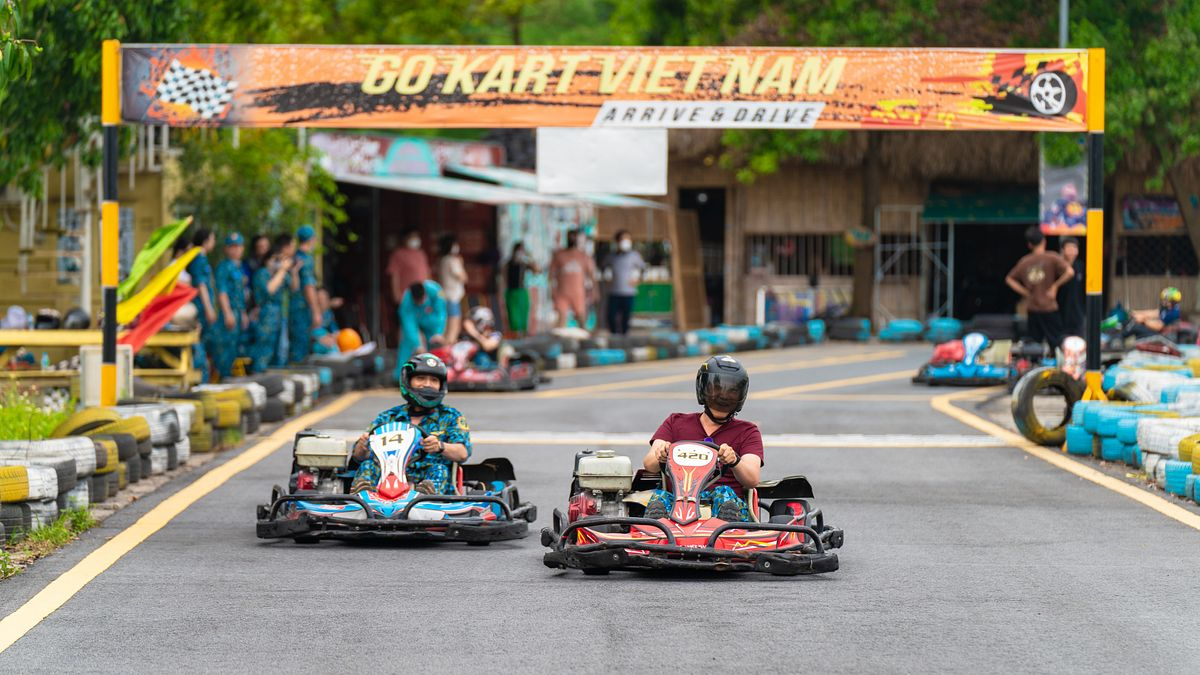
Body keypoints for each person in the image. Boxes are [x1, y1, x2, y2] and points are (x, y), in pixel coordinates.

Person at [641, 355, 763, 523]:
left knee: (724, 493)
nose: (723, 396)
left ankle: (725, 529)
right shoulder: (676, 422)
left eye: (731, 391)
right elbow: (649, 464)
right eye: (717, 388)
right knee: (660, 497)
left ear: (740, 394)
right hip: (678, 501)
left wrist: (734, 460)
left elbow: (752, 479)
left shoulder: (747, 431)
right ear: (703, 388)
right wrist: (661, 454)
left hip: (724, 506)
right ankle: (656, 531)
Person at [349, 353, 471, 495]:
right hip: (389, 480)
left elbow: (462, 453)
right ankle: (363, 500)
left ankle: (425, 499)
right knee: (368, 465)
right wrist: (362, 447)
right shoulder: (389, 417)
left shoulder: (451, 416)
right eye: (420, 378)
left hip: (429, 481)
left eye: (433, 380)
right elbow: (358, 457)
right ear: (408, 381)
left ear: (441, 385)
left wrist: (440, 446)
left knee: (439, 469)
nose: (427, 384)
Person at [1005, 226, 1073, 351]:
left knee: (1034, 346)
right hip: (1049, 308)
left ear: (1029, 245)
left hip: (1033, 308)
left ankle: (1036, 367)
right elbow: (1070, 272)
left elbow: (1009, 279)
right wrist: (1055, 286)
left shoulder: (1024, 261)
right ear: (1044, 241)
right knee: (1057, 344)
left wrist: (1024, 292)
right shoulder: (1052, 257)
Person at [249, 234, 294, 373]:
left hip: (279, 316)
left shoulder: (279, 275)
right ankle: (259, 378)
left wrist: (293, 271)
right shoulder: (262, 273)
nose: (279, 263)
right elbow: (269, 290)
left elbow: (293, 287)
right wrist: (281, 270)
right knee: (265, 350)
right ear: (268, 260)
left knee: (281, 350)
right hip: (266, 317)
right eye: (276, 259)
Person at [211, 233, 248, 378]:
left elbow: (240, 294)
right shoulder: (224, 267)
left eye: (238, 246)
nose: (236, 250)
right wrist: (227, 313)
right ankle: (222, 379)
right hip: (228, 313)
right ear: (226, 249)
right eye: (232, 247)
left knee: (233, 349)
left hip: (237, 312)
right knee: (225, 349)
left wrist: (243, 313)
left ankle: (227, 378)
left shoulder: (238, 267)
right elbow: (222, 292)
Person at [185, 229, 218, 382]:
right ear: (205, 241)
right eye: (212, 239)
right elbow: (201, 286)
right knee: (201, 343)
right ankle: (200, 378)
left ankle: (203, 377)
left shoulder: (199, 258)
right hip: (201, 308)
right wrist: (209, 309)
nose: (214, 242)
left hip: (203, 307)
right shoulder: (199, 259)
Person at [397, 279, 447, 376]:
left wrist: (438, 333)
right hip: (415, 318)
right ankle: (400, 375)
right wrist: (417, 344)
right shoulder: (406, 301)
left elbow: (440, 313)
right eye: (417, 301)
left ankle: (438, 373)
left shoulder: (435, 290)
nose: (420, 303)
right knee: (408, 343)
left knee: (435, 343)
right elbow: (409, 325)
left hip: (430, 319)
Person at [288, 225, 322, 363]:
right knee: (301, 346)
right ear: (312, 239)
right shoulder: (306, 260)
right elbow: (308, 287)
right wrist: (316, 311)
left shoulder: (295, 257)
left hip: (293, 307)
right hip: (302, 308)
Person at [602, 230, 646, 335]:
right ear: (617, 241)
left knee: (625, 319)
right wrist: (606, 279)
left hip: (628, 293)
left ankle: (624, 339)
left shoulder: (634, 256)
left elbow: (643, 269)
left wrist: (638, 280)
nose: (625, 241)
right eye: (623, 239)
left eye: (628, 239)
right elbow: (603, 268)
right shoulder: (611, 256)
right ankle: (614, 336)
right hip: (614, 292)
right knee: (611, 317)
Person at [550, 229, 596, 329]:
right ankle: (560, 343)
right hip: (562, 293)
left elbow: (592, 275)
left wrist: (594, 290)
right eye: (571, 236)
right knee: (561, 320)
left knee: (581, 320)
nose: (573, 239)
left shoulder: (584, 256)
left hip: (578, 293)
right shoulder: (559, 255)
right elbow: (551, 275)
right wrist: (552, 291)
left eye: (575, 236)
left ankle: (584, 343)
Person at [387, 229, 431, 306]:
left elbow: (427, 273)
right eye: (412, 237)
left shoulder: (421, 253)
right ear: (404, 238)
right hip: (407, 296)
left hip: (423, 296)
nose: (415, 239)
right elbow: (394, 275)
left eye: (416, 236)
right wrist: (396, 294)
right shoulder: (398, 254)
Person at [438, 233, 468, 343]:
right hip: (452, 298)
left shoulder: (441, 260)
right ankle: (447, 356)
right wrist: (461, 263)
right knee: (453, 331)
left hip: (444, 297)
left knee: (445, 330)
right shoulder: (453, 260)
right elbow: (463, 277)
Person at [504, 241, 538, 337]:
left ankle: (523, 335)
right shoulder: (508, 264)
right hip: (511, 292)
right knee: (513, 317)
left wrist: (529, 256)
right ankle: (514, 336)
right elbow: (504, 278)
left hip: (522, 292)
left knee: (523, 315)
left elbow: (536, 270)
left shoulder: (524, 264)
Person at [1056, 236, 1086, 338]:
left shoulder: (1080, 266)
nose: (1072, 251)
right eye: (1069, 248)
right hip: (1061, 313)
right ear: (1062, 250)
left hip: (1078, 313)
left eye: (1074, 248)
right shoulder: (1057, 267)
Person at [310, 288, 343, 355]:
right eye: (318, 299)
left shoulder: (328, 314)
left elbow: (335, 330)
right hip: (315, 344)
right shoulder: (310, 314)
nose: (321, 302)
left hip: (329, 342)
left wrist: (332, 336)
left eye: (323, 299)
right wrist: (320, 339)